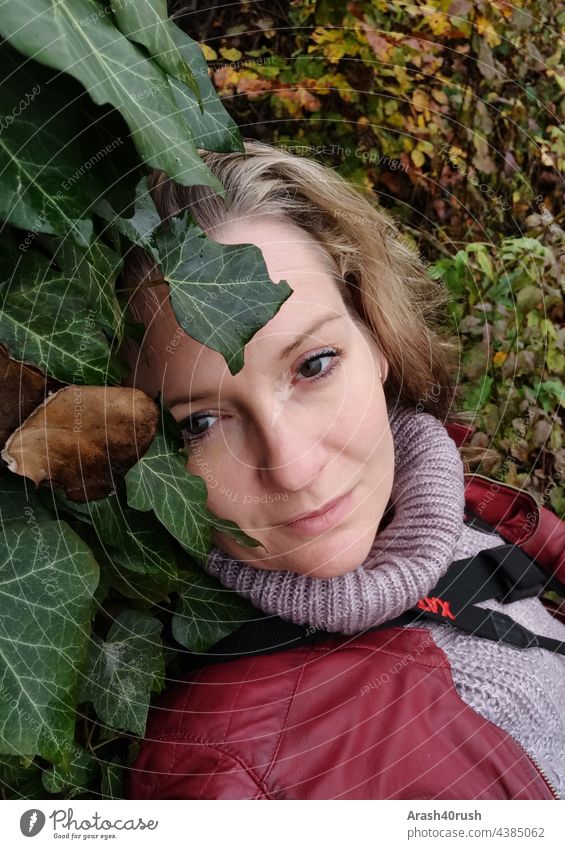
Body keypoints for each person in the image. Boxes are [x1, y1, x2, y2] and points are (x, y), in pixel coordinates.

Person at [121, 140, 565, 799]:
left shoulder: (446, 507)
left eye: (312, 364)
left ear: (377, 338)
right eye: (202, 422)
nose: (293, 466)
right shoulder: (233, 782)